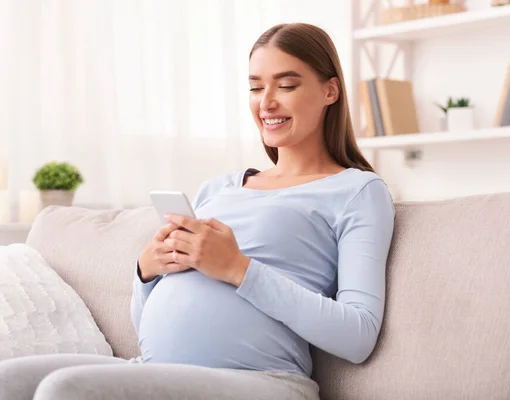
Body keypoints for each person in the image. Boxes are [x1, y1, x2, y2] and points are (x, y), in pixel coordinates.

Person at [0, 22, 395, 400]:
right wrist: (148, 271)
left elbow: (358, 336)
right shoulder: (219, 188)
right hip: (155, 370)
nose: (267, 102)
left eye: (287, 85)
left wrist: (237, 269)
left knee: (64, 391)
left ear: (330, 91)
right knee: (8, 380)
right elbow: (146, 324)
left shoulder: (357, 190)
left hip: (261, 382)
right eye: (256, 87)